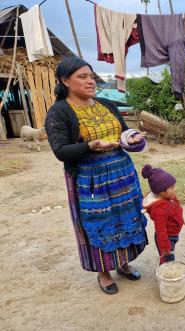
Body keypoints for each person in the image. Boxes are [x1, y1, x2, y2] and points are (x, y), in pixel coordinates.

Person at [45, 57, 148, 295]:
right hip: (89, 179)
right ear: (65, 80)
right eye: (83, 77)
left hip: (121, 173)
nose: (90, 81)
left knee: (125, 217)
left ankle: (123, 263)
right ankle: (103, 272)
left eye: (91, 76)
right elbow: (61, 151)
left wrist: (131, 138)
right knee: (100, 222)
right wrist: (91, 145)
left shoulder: (106, 105)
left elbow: (122, 132)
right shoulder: (59, 112)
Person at [141, 165, 184, 264]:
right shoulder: (160, 210)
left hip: (173, 233)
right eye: (172, 188)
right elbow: (161, 231)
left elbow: (174, 204)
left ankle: (167, 267)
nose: (175, 190)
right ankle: (165, 274)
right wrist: (165, 249)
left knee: (169, 258)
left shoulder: (168, 197)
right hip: (166, 238)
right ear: (161, 192)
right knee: (167, 259)